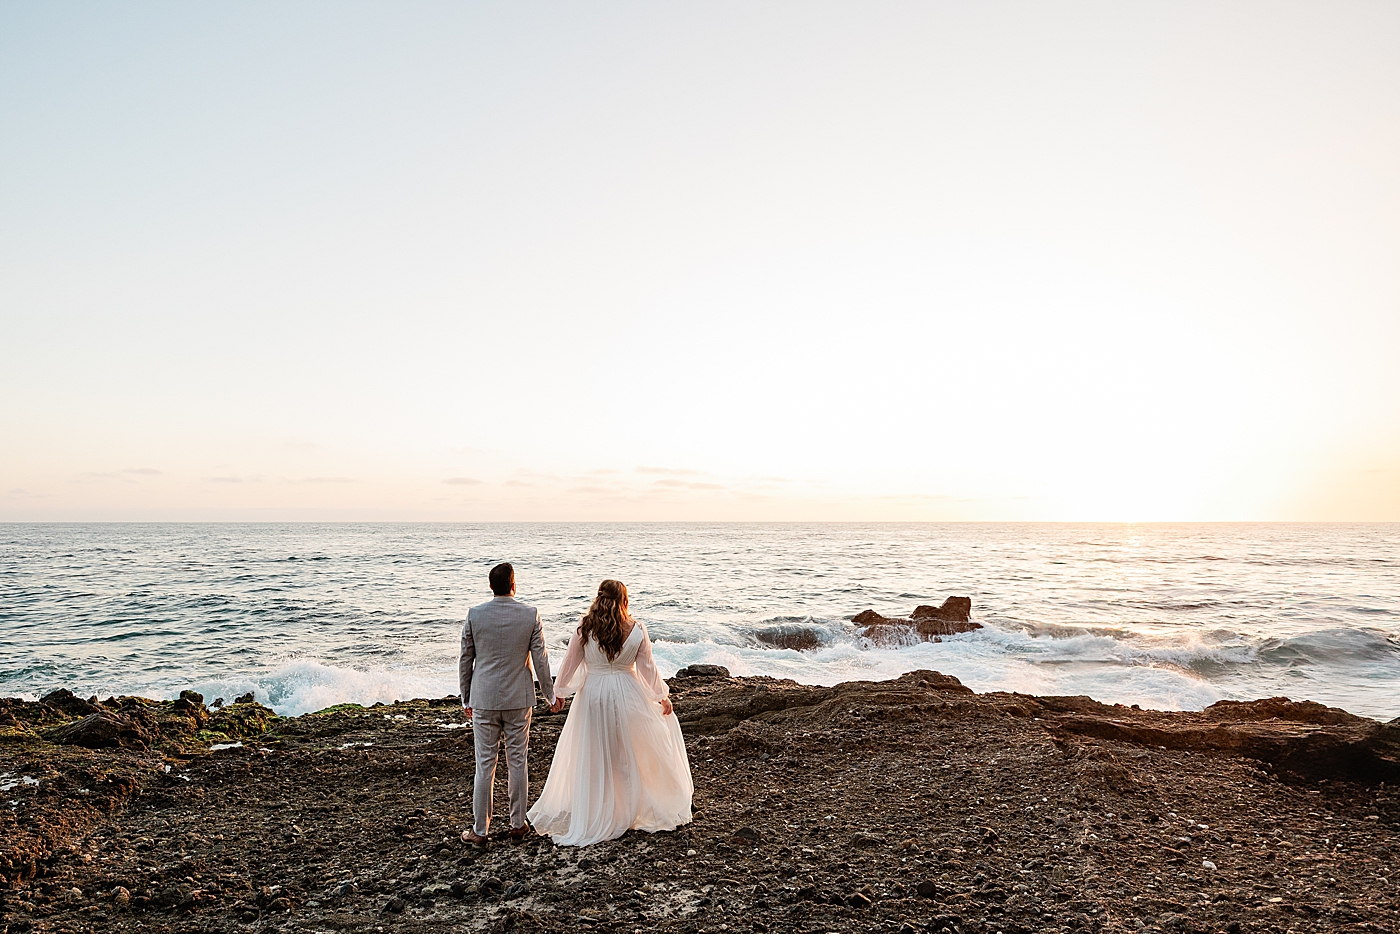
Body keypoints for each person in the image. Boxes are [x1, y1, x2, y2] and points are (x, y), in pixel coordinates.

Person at [527, 579, 693, 846]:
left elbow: (569, 665)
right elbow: (648, 669)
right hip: (628, 693)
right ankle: (627, 811)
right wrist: (661, 696)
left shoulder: (585, 628)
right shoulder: (636, 629)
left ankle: (602, 810)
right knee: (628, 752)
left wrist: (558, 693)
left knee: (597, 752)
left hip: (593, 696)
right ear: (625, 600)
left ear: (598, 598)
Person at [458, 562, 564, 845]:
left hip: (484, 699)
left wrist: (465, 696)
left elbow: (466, 659)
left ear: (491, 586)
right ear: (514, 585)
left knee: (485, 764)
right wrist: (550, 696)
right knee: (517, 761)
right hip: (518, 699)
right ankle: (517, 824)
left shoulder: (475, 615)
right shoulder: (530, 614)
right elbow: (541, 659)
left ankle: (480, 831)